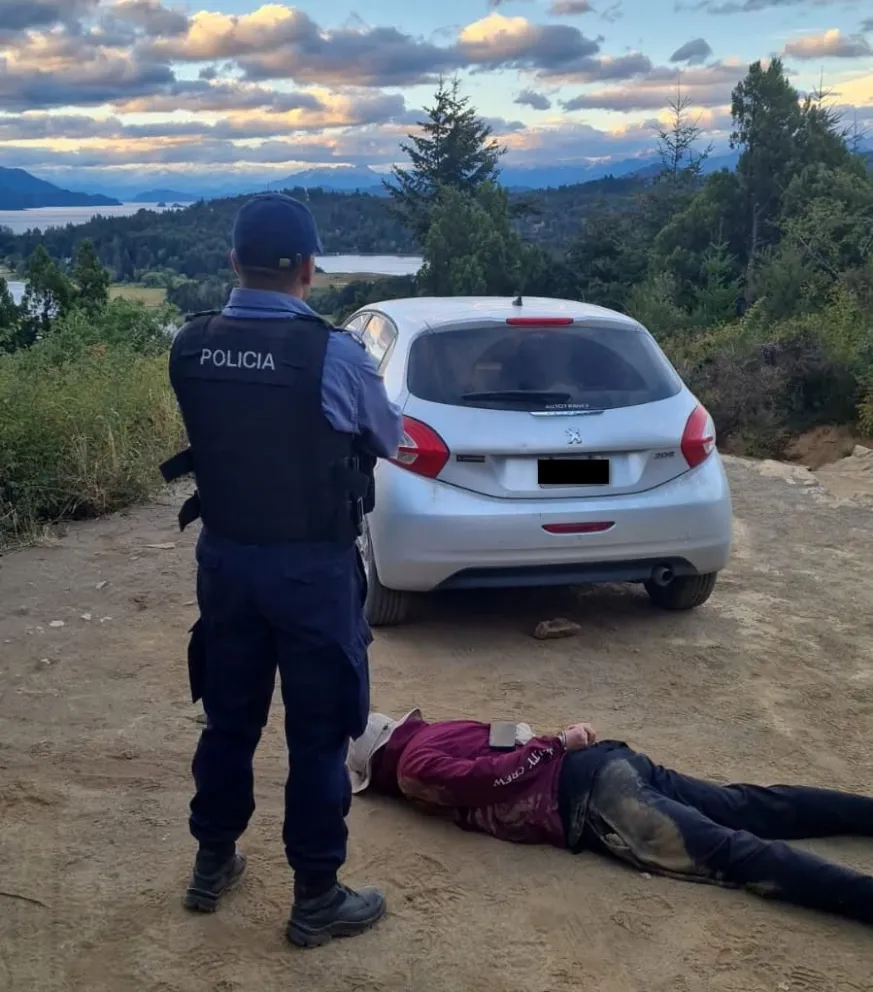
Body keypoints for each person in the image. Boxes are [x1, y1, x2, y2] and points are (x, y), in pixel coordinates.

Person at [163, 193, 403, 948]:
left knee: (229, 716)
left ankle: (212, 863)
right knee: (318, 732)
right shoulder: (335, 352)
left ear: (233, 263)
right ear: (307, 267)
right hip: (311, 571)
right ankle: (316, 897)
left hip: (226, 562)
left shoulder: (189, 344)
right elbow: (387, 437)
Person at [349, 709, 873, 927]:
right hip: (604, 764)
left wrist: (555, 743)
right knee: (749, 805)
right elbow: (514, 734)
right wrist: (559, 743)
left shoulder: (414, 766)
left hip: (590, 796)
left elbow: (491, 779)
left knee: (735, 853)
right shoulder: (438, 730)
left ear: (378, 766)